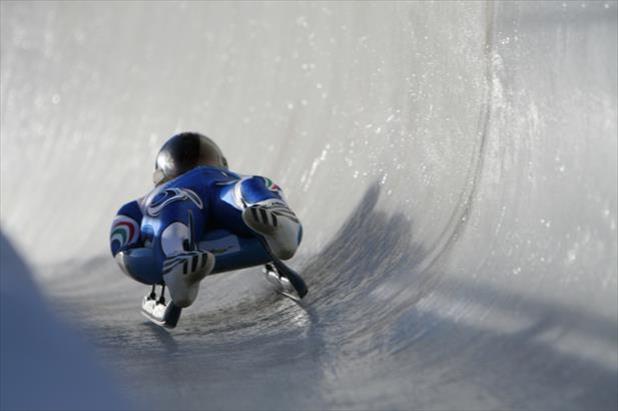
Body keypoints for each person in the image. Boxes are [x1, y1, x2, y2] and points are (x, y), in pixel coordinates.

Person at [109, 132, 304, 326]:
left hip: (220, 194)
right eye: (185, 161)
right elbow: (123, 245)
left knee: (249, 185)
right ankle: (177, 259)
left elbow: (120, 243)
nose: (198, 167)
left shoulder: (229, 178)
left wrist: (128, 254)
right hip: (186, 202)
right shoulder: (143, 203)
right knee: (179, 200)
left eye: (204, 159)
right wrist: (131, 254)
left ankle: (276, 223)